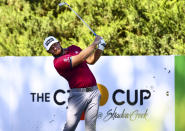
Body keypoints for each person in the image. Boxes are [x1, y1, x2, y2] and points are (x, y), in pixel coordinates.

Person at [43, 35, 106, 131]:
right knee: (70, 126)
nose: (55, 48)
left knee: (91, 127)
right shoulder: (58, 62)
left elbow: (90, 60)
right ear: (49, 52)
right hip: (78, 95)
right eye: (51, 48)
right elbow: (80, 58)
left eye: (55, 44)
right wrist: (95, 43)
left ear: (59, 42)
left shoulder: (74, 48)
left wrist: (100, 47)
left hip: (94, 92)